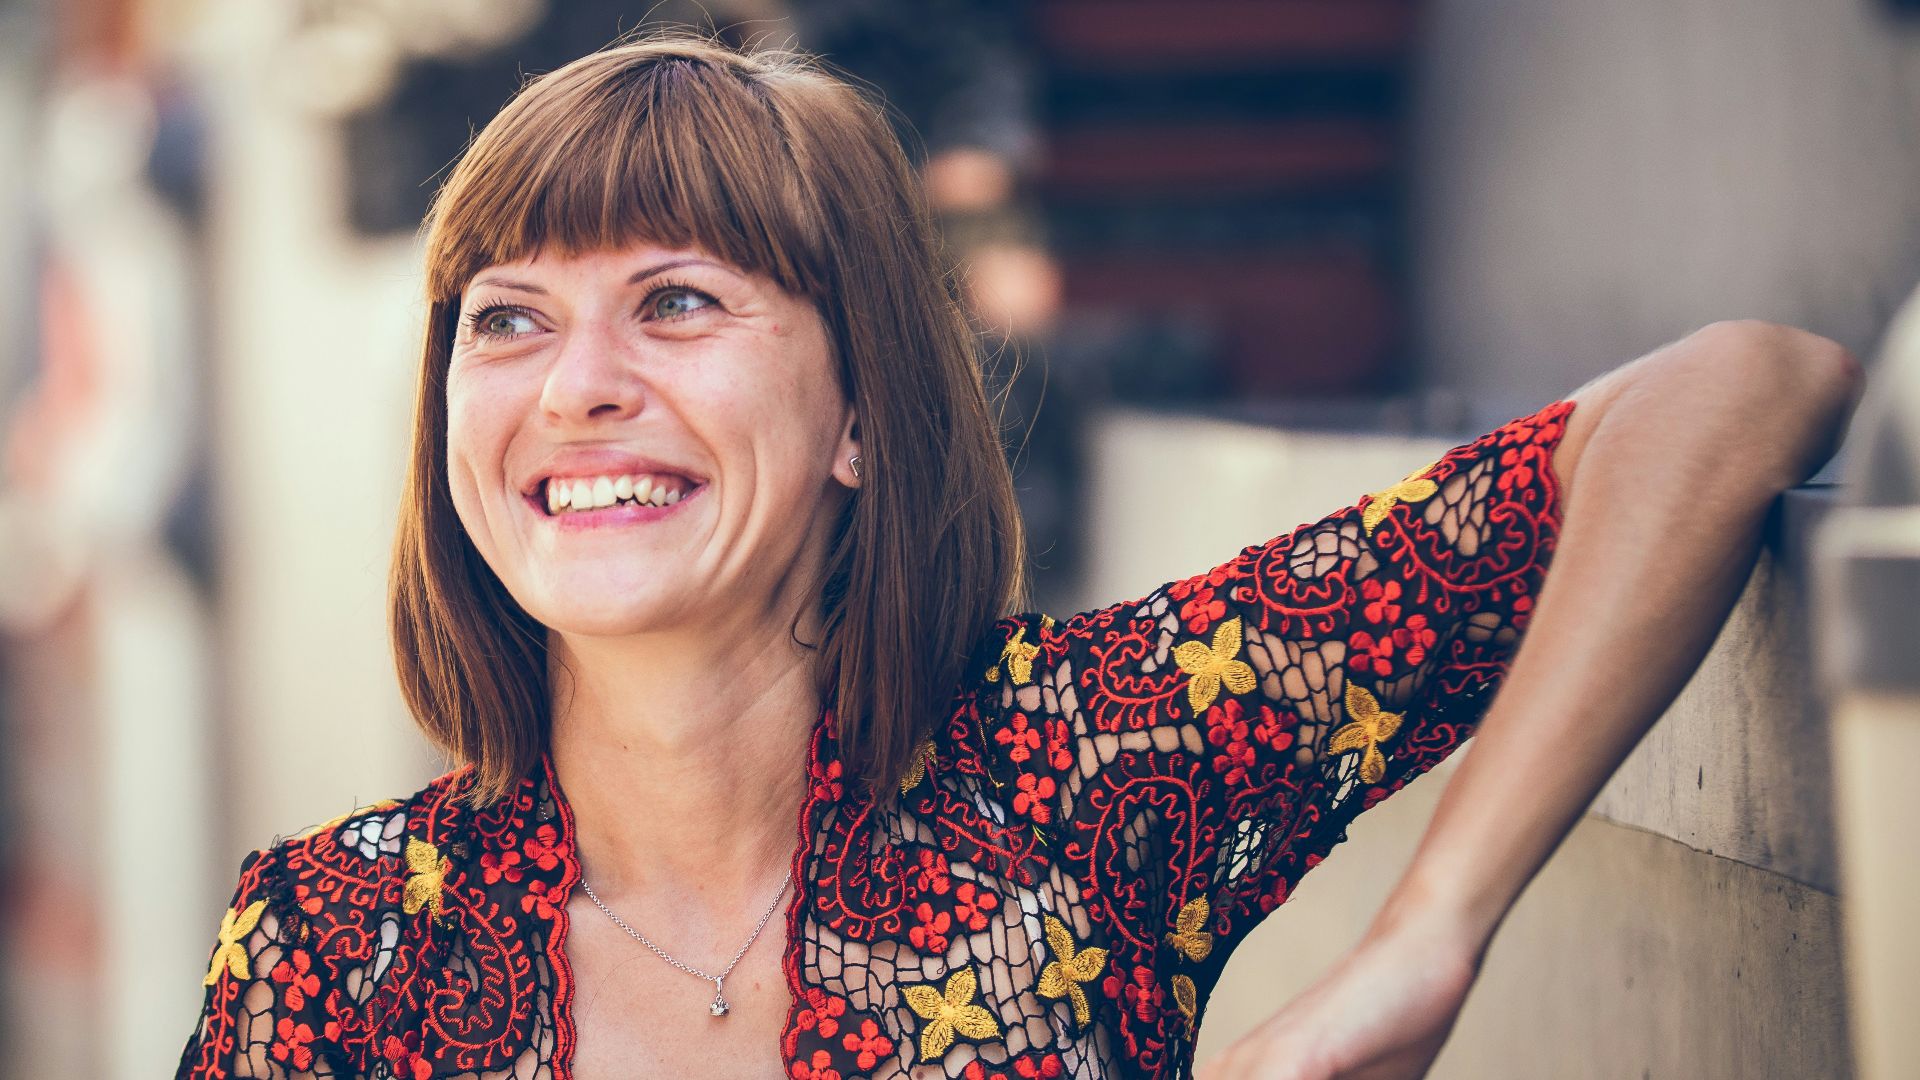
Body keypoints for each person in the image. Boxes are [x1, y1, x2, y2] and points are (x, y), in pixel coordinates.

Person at [174, 35, 1864, 1080]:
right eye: (508, 320)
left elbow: (1739, 391)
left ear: (858, 413)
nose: (580, 385)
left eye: (677, 300)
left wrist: (1434, 930)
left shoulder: (1087, 764)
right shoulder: (334, 947)